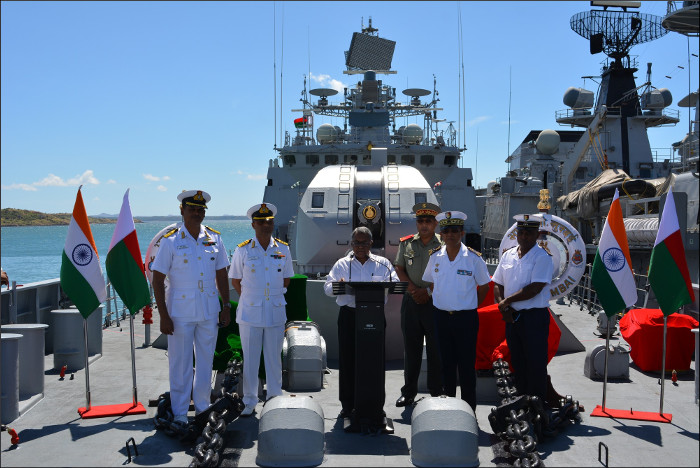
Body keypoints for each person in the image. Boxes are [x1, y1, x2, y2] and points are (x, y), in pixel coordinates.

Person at [151, 190, 231, 431]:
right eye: (192, 209)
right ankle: (179, 412)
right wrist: (163, 315)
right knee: (180, 362)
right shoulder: (171, 241)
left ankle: (204, 406)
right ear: (182, 211)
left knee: (206, 361)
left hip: (208, 309)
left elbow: (221, 274)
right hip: (180, 312)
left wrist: (226, 305)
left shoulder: (214, 239)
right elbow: (157, 279)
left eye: (201, 210)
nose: (197, 213)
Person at [323, 226, 399, 418]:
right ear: (351, 244)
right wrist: (338, 285)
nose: (360, 246)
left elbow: (395, 283)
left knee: (375, 360)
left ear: (371, 244)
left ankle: (376, 405)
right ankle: (347, 406)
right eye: (357, 242)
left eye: (364, 242)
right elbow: (327, 288)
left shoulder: (382, 264)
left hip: (374, 315)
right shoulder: (341, 264)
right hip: (349, 316)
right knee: (348, 361)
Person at [229, 202, 294, 417]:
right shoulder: (243, 249)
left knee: (274, 357)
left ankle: (275, 397)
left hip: (275, 310)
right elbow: (236, 279)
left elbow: (286, 279)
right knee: (251, 358)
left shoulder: (282, 248)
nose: (267, 225)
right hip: (250, 312)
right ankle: (249, 400)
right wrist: (251, 297)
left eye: (269, 221)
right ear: (253, 225)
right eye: (262, 222)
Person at [422, 211, 490, 411]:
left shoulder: (474, 259)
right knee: (446, 366)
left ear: (462, 233)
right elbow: (432, 283)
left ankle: (469, 411)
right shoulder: (435, 257)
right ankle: (449, 410)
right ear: (441, 234)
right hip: (441, 317)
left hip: (466, 319)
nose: (450, 234)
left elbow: (484, 286)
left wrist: (469, 304)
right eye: (446, 231)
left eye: (455, 230)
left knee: (467, 367)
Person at [492, 214, 553, 404]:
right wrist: (504, 308)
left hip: (534, 317)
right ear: (516, 234)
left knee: (535, 363)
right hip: (512, 317)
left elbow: (534, 288)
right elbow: (497, 283)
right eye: (521, 232)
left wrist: (506, 302)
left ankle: (537, 405)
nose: (524, 236)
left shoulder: (542, 257)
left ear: (537, 234)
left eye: (529, 232)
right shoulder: (508, 255)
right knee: (517, 361)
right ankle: (521, 400)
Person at [393, 202, 443, 407]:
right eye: (420, 221)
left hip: (435, 302)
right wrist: (414, 290)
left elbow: (444, 273)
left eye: (428, 221)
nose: (424, 225)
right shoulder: (406, 244)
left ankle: (436, 391)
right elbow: (399, 268)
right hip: (411, 301)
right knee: (411, 349)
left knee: (435, 349)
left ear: (435, 224)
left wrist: (428, 291)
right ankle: (409, 392)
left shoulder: (443, 245)